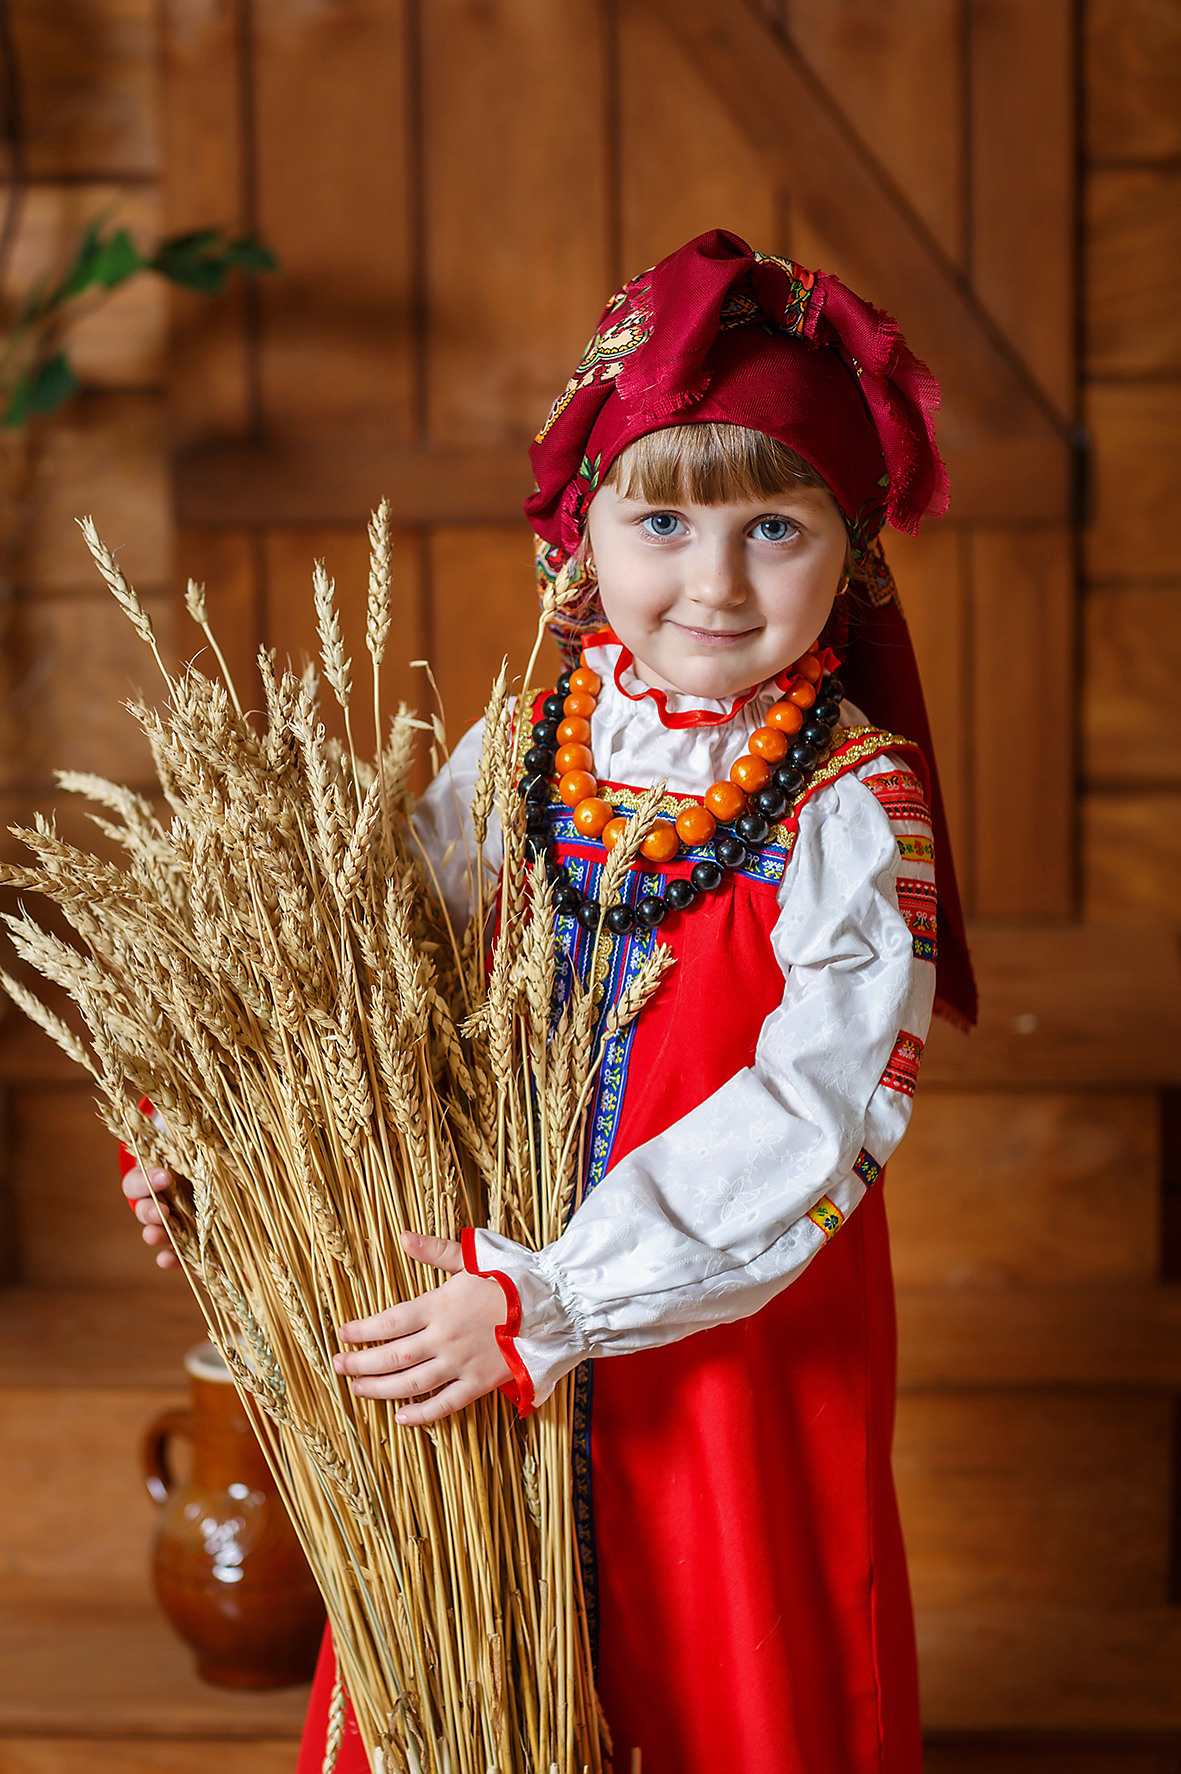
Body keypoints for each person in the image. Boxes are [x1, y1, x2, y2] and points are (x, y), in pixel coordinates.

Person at [125, 229, 975, 1773]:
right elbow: (362, 980)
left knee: (725, 1641)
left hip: (724, 1346)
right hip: (483, 1303)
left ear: (849, 552)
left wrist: (560, 1294)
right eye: (663, 520)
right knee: (482, 1635)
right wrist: (234, 1141)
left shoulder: (849, 801)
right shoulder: (530, 747)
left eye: (772, 529)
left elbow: (819, 1103)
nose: (712, 583)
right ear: (582, 535)